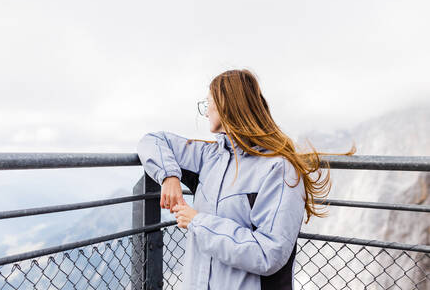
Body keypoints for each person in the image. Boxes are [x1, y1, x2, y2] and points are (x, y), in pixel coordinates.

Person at [137, 69, 355, 290]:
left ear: (224, 104)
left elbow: (269, 253)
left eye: (208, 103)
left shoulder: (279, 169)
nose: (205, 113)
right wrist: (169, 176)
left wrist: (198, 223)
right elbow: (152, 140)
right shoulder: (209, 156)